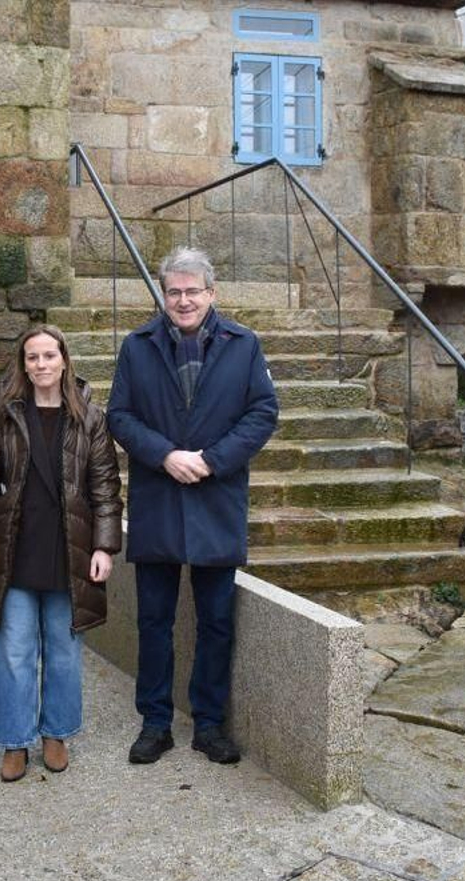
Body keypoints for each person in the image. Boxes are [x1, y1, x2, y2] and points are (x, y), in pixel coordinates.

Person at [105, 246, 278, 767]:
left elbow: (262, 412)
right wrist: (165, 455)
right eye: (174, 292)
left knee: (216, 622)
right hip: (159, 499)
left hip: (216, 498)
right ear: (163, 295)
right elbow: (120, 416)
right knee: (154, 622)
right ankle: (155, 723)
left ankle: (208, 724)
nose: (183, 301)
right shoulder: (137, 347)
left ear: (211, 293)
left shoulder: (244, 345)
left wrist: (212, 460)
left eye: (193, 292)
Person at [0, 325, 123, 781]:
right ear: (24, 364)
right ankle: (15, 740)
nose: (41, 364)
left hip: (69, 549)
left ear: (64, 359)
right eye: (32, 357)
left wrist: (104, 546)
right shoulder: (3, 413)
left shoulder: (90, 417)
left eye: (49, 355)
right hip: (14, 547)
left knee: (64, 651)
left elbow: (105, 488)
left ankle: (56, 732)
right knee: (13, 652)